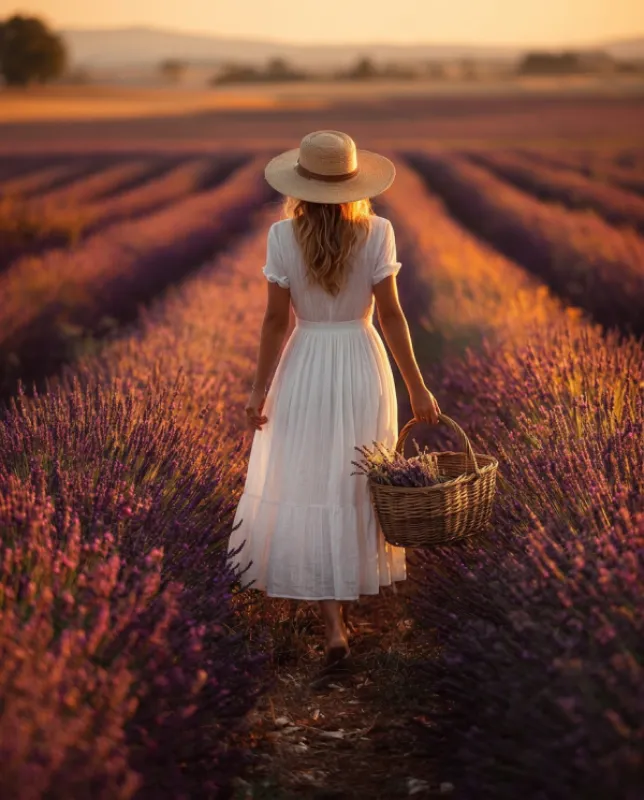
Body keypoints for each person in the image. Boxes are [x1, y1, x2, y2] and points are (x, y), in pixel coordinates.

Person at [228, 130, 440, 676]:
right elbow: (391, 316)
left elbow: (276, 322)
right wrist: (416, 384)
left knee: (312, 478)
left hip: (305, 364)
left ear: (299, 186)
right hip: (362, 364)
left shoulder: (281, 236)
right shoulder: (378, 232)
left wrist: (257, 389)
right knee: (356, 480)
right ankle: (344, 600)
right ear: (354, 185)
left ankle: (333, 627)